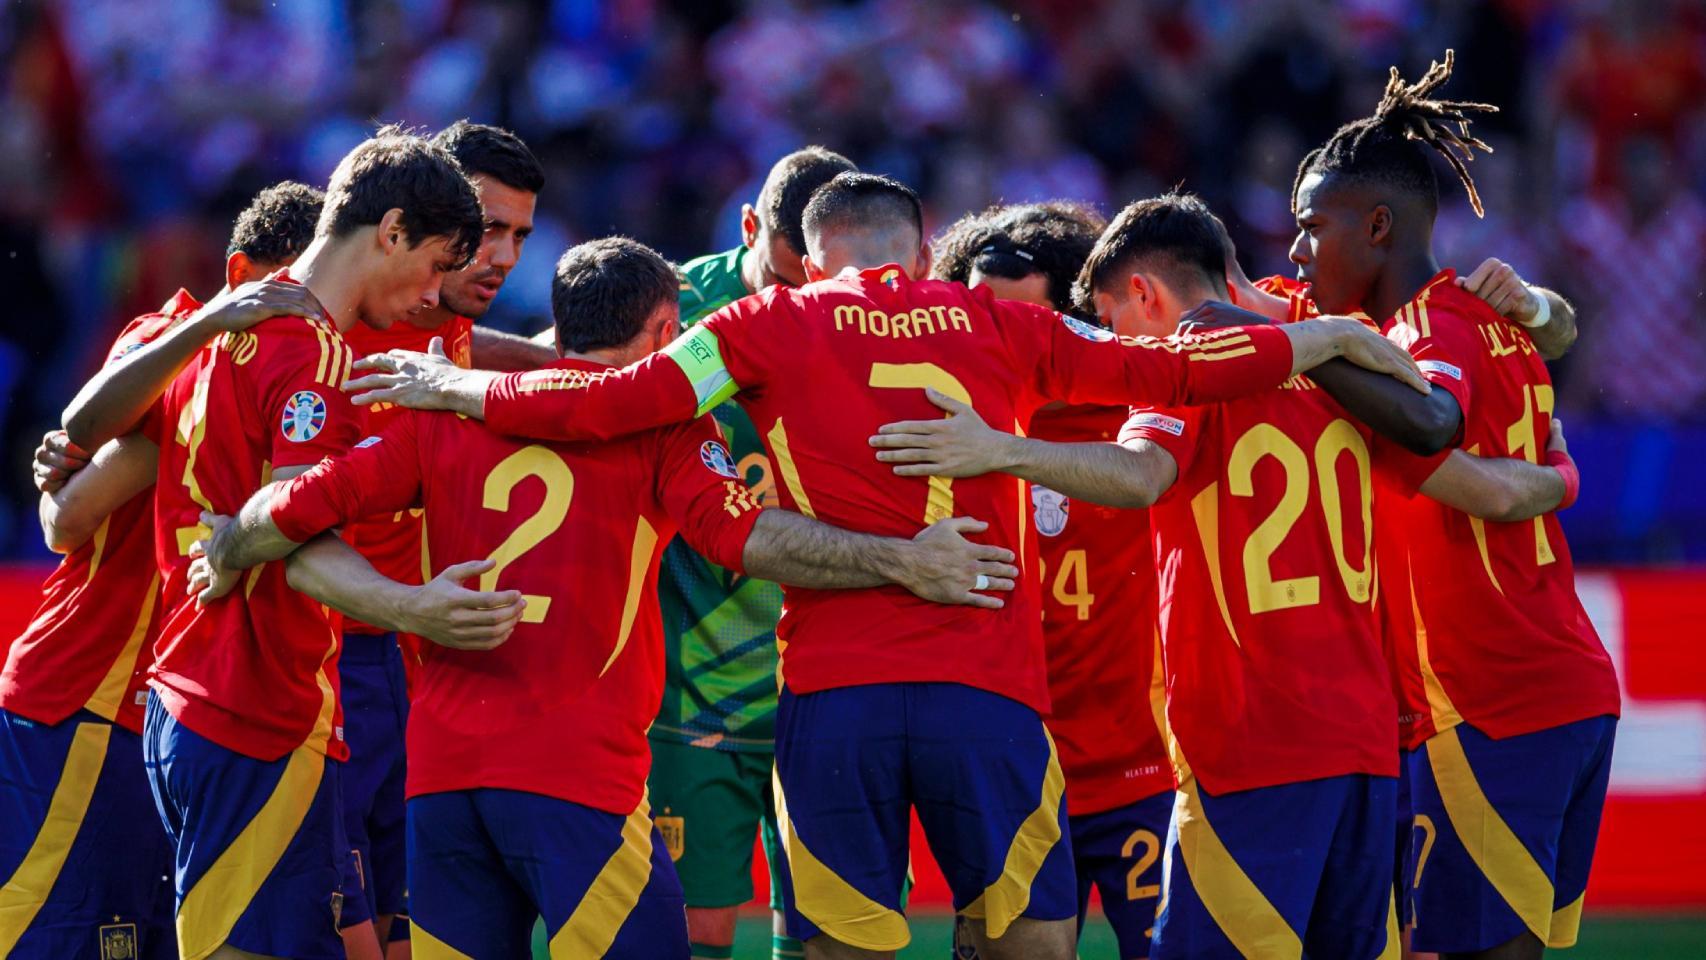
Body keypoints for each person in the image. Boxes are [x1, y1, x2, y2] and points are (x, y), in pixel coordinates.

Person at [342, 172, 1427, 960]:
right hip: (988, 691)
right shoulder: (997, 323)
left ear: (816, 256)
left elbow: (620, 399)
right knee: (1034, 937)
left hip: (834, 693)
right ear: (916, 252)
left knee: (837, 943)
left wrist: (463, 387)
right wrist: (1325, 338)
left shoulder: (768, 321)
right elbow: (1170, 370)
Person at [187, 236, 1021, 958]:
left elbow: (295, 510)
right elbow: (752, 540)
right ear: (664, 332)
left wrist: (227, 547)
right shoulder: (665, 430)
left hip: (442, 783)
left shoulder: (440, 412)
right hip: (577, 781)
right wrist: (903, 560)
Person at [869, 192, 1584, 960]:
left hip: (1248, 746)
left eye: (1108, 324)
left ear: (1143, 294)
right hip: (1366, 750)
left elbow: (1142, 473)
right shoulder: (1350, 356)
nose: (1114, 351)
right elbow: (1485, 469)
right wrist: (1559, 437)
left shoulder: (1189, 363)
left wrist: (999, 450)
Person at [60, 126, 490, 960]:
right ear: (391, 230)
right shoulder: (312, 353)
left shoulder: (224, 327)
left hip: (189, 695)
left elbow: (82, 436)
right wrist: (416, 607)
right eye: (437, 263)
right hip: (252, 706)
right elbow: (299, 542)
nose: (434, 292)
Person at [1287, 52, 1618, 960]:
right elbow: (1555, 331)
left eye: (1312, 227)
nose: (1298, 252)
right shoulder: (1495, 319)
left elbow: (1435, 426)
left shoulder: (1425, 330)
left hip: (1488, 700)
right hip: (1556, 686)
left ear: (1378, 225)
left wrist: (1305, 349)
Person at [0, 181, 324, 960]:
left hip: (187, 720)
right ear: (244, 276)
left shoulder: (317, 368)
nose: (315, 315)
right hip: (91, 698)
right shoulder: (177, 345)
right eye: (298, 289)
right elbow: (65, 519)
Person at [930, 200, 1174, 960]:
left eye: (1025, 324)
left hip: (1144, 765)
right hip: (1007, 772)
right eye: (983, 321)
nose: (1001, 345)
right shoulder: (941, 428)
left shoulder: (1146, 417)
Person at [333, 119, 553, 960]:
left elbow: (463, 354)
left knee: (410, 930)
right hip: (332, 658)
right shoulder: (341, 323)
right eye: (487, 229)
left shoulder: (437, 316)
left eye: (519, 236)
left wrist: (558, 363)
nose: (501, 256)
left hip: (413, 661)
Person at [652, 146, 855, 960]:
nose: (803, 291)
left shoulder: (874, 314)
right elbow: (566, 364)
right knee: (695, 929)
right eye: (785, 268)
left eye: (821, 271)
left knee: (827, 933)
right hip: (694, 687)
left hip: (830, 679)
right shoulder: (672, 305)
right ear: (747, 228)